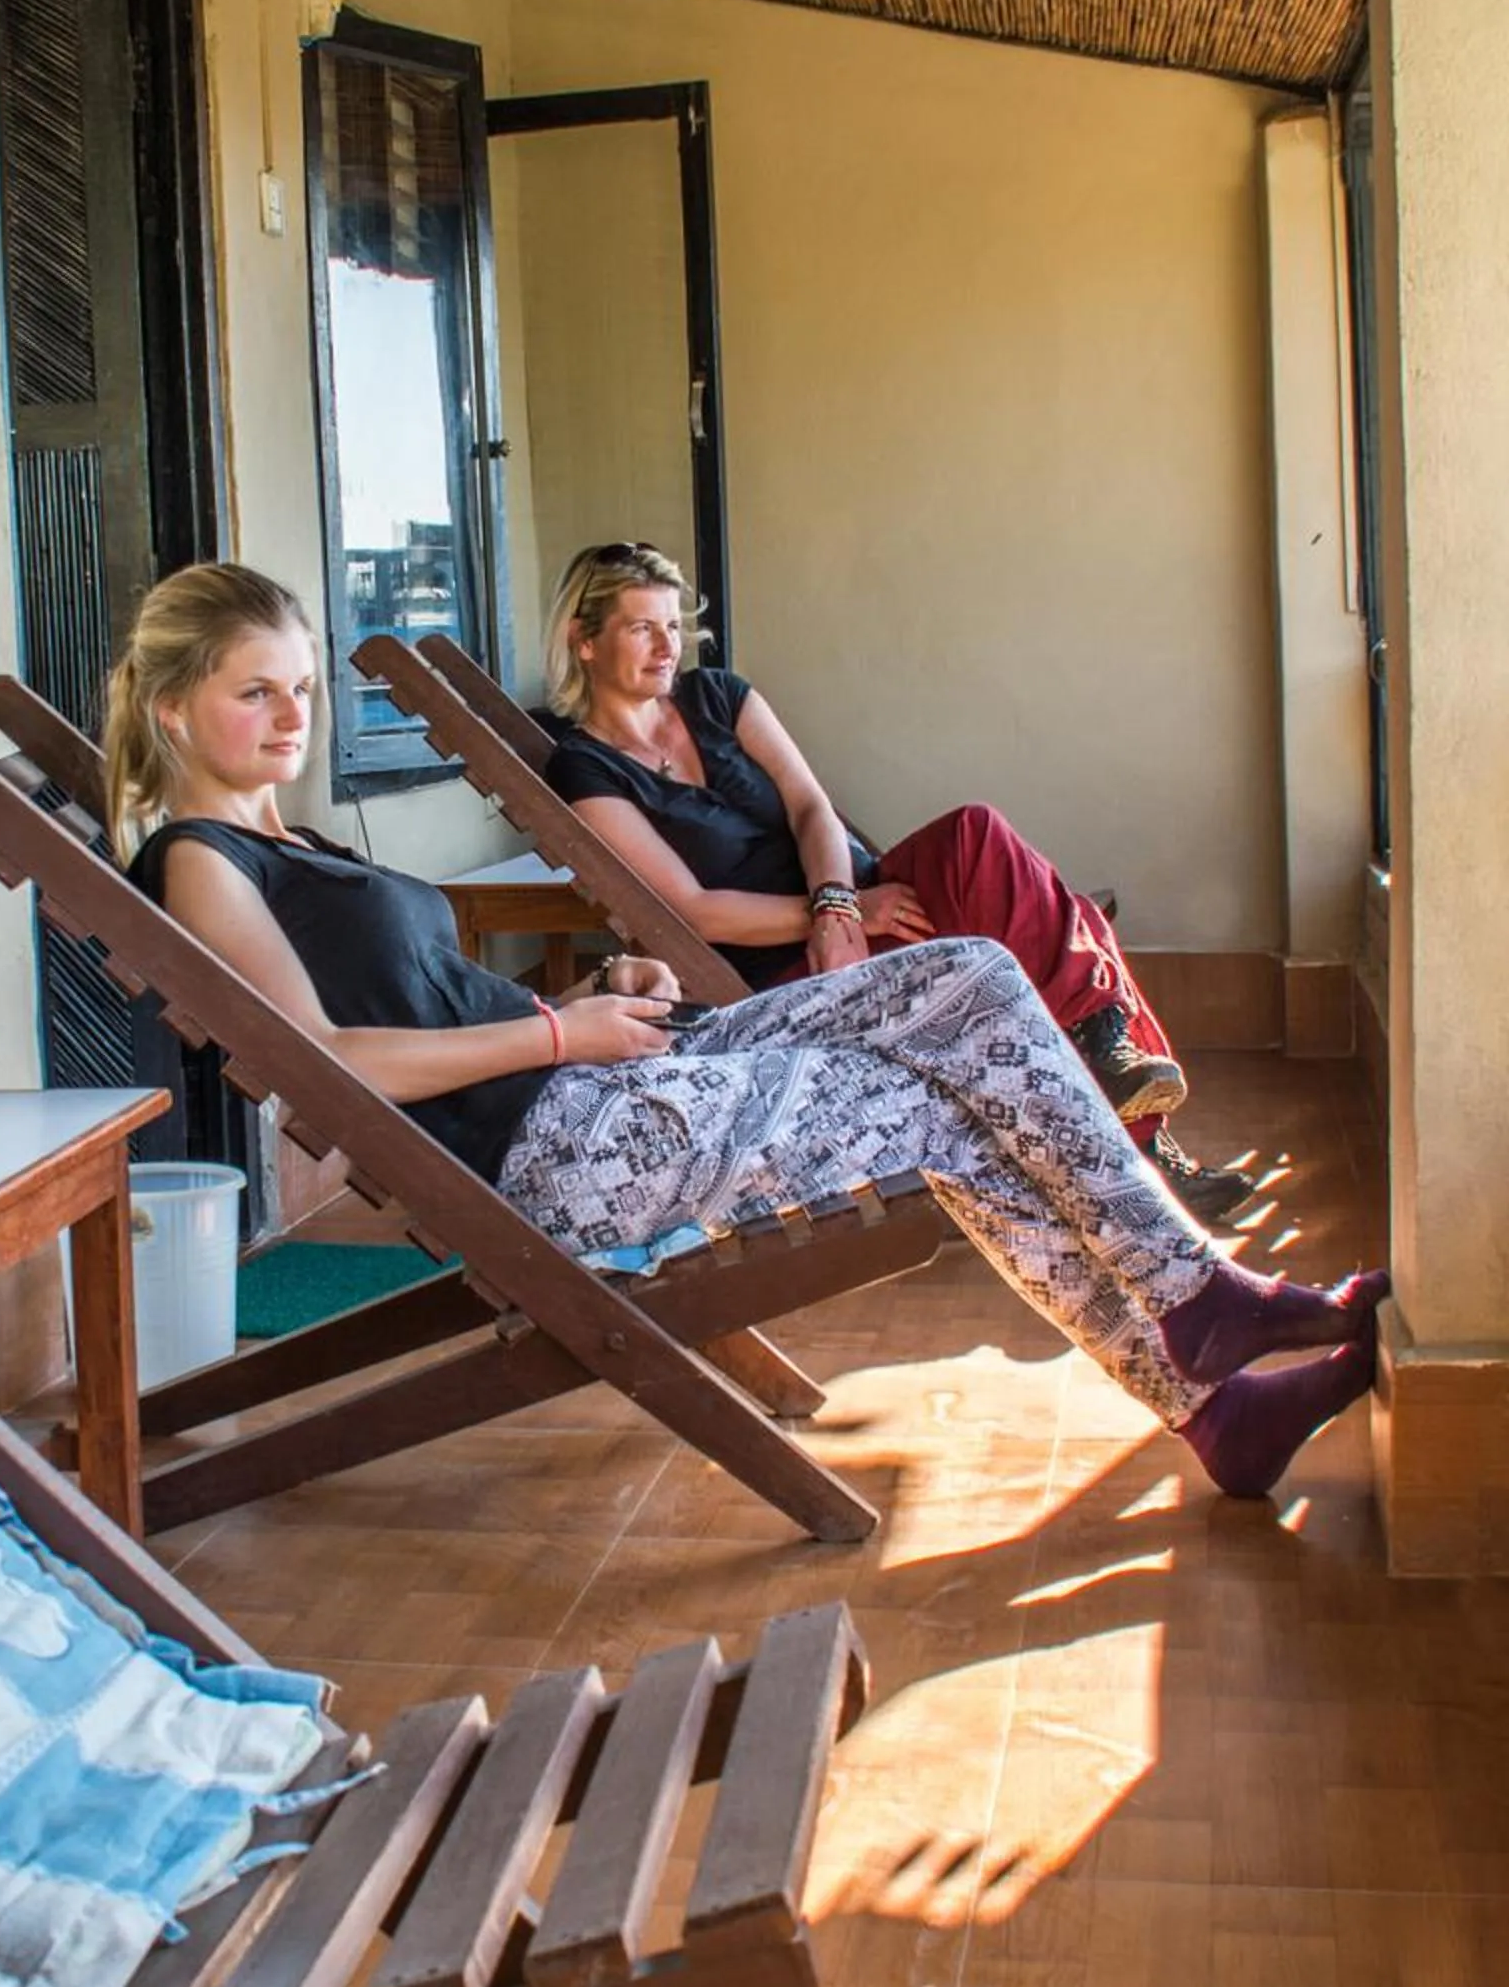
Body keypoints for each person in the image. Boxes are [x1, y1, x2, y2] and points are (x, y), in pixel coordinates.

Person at [106, 561, 1386, 1506]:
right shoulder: (202, 862)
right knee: (957, 1090)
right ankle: (1198, 1333)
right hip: (562, 1145)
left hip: (600, 1071)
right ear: (172, 712)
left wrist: (588, 1002)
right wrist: (555, 1039)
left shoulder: (288, 842)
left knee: (971, 981)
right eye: (250, 695)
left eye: (299, 688)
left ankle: (1203, 1344)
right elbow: (328, 1061)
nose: (290, 718)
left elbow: (426, 1002)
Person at [540, 541, 1255, 1226]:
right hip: (790, 967)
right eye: (642, 629)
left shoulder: (717, 696)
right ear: (585, 639)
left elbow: (811, 806)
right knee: (1068, 923)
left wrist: (840, 904)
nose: (669, 648)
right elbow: (696, 912)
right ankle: (1139, 1129)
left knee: (980, 839)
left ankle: (1115, 1070)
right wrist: (832, 923)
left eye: (673, 627)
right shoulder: (586, 769)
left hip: (852, 909)